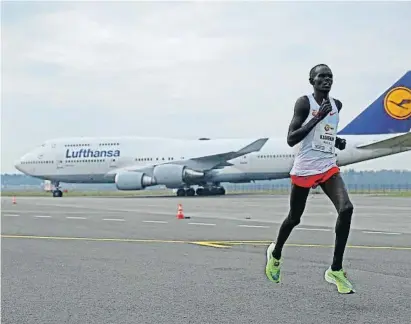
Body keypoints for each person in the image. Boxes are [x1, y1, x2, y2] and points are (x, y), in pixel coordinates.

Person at [265, 64, 355, 294]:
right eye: (321, 77)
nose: (327, 80)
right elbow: (291, 139)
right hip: (305, 167)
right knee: (294, 218)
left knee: (346, 209)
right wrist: (317, 117)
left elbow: (325, 132)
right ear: (312, 81)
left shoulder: (337, 105)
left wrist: (337, 141)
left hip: (327, 165)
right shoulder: (304, 103)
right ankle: (275, 254)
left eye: (330, 77)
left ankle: (335, 269)